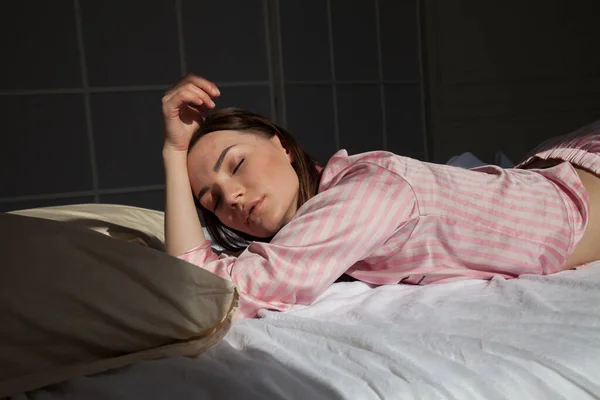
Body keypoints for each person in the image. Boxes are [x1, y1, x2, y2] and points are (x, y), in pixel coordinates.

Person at [162, 74, 600, 318]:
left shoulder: (361, 195)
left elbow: (209, 292)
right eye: (211, 202)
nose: (232, 196)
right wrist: (173, 153)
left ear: (280, 143)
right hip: (545, 165)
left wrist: (175, 148)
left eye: (236, 165)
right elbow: (197, 278)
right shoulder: (327, 204)